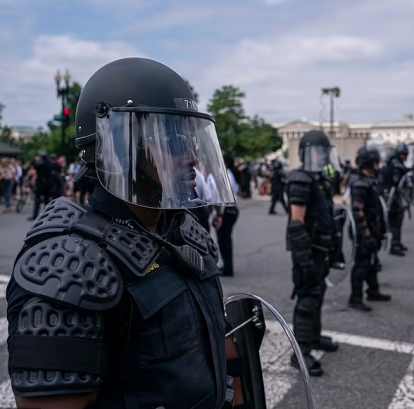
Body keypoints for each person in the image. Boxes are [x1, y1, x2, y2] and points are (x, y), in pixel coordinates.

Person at [6, 57, 249, 409]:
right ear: (119, 149)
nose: (193, 158)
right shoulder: (71, 264)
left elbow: (217, 344)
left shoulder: (185, 232)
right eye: (173, 142)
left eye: (191, 141)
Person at [286, 129, 340, 377]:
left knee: (318, 294)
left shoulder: (320, 179)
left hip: (321, 249)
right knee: (307, 299)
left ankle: (315, 338)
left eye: (323, 152)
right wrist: (304, 258)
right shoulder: (300, 179)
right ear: (305, 153)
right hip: (308, 251)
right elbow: (297, 223)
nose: (320, 157)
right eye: (316, 152)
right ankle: (300, 352)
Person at [348, 145, 391, 312]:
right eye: (375, 162)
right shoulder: (360, 183)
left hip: (373, 229)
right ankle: (355, 298)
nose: (378, 165)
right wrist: (366, 236)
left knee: (371, 263)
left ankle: (373, 291)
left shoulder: (370, 181)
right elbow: (358, 212)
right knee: (361, 265)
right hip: (363, 232)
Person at [383, 143, 410, 256]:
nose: (404, 156)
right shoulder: (396, 165)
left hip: (397, 196)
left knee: (398, 221)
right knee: (395, 222)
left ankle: (397, 242)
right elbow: (397, 182)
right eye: (402, 154)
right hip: (394, 196)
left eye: (405, 154)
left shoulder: (396, 164)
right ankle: (394, 245)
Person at [218, 154, 240, 277]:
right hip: (231, 210)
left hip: (227, 210)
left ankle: (228, 268)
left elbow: (223, 198)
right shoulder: (231, 174)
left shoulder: (226, 175)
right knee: (225, 240)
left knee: (224, 240)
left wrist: (219, 215)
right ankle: (227, 266)